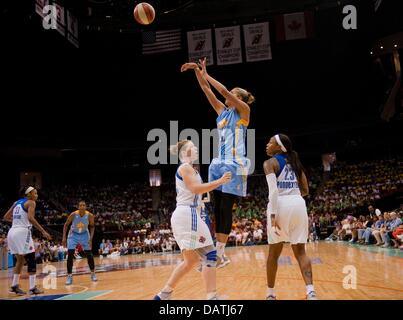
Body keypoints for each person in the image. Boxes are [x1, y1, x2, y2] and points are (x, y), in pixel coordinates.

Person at [181, 58, 255, 268]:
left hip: (235, 164)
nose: (229, 95)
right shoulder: (223, 113)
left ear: (239, 98)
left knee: (225, 207)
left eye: (233, 93)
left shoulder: (244, 112)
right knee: (217, 209)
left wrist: (207, 74)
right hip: (218, 164)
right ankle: (218, 253)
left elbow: (222, 91)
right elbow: (207, 90)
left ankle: (220, 254)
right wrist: (197, 71)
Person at [154, 140, 231, 300]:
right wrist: (220, 181)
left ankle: (163, 295)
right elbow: (195, 189)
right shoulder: (185, 167)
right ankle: (212, 297)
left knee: (191, 261)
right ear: (184, 153)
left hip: (187, 215)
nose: (196, 148)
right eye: (191, 147)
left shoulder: (191, 169)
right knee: (210, 254)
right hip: (187, 214)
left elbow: (199, 190)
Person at [264, 134, 317, 300]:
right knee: (301, 251)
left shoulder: (270, 163)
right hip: (298, 204)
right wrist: (292, 194)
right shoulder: (295, 162)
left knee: (274, 252)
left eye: (270, 142)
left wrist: (273, 215)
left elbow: (273, 192)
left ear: (279, 147)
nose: (267, 144)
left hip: (279, 205)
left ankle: (271, 294)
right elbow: (306, 190)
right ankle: (310, 291)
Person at [3, 186, 51, 295]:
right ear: (28, 194)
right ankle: (32, 287)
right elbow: (30, 218)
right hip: (22, 232)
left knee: (20, 260)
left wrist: (17, 221)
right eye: (35, 193)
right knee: (31, 258)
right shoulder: (31, 202)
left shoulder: (16, 202)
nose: (37, 195)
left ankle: (14, 286)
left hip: (11, 232)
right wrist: (43, 231)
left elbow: (6, 217)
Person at [62, 200, 97, 285]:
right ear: (78, 207)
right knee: (70, 254)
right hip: (73, 234)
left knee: (89, 254)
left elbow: (92, 226)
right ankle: (69, 276)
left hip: (85, 234)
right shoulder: (73, 214)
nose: (82, 207)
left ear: (86, 207)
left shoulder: (90, 215)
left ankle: (93, 273)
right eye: (80, 205)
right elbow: (66, 225)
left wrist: (91, 239)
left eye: (83, 205)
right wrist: (64, 237)